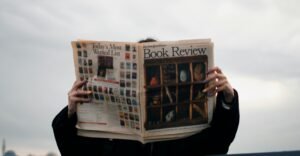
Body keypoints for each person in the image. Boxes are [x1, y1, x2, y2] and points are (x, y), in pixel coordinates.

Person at [52, 38, 240, 156]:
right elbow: (72, 150)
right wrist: (71, 111)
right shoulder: (111, 138)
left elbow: (218, 143)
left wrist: (228, 99)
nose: (150, 84)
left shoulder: (182, 126)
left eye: (155, 77)